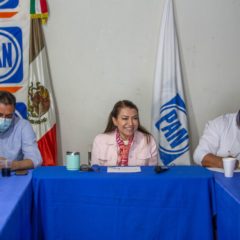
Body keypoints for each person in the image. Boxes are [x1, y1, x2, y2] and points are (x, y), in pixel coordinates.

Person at [91, 100, 158, 166]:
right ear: (115, 121)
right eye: (125, 118)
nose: (131, 123)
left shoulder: (148, 140)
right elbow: (95, 172)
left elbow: (152, 173)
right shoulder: (100, 140)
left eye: (135, 118)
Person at [0, 90, 42, 170]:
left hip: (12, 177)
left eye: (8, 116)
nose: (3, 119)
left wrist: (11, 165)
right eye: (0, 115)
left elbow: (35, 159)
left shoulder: (23, 126)